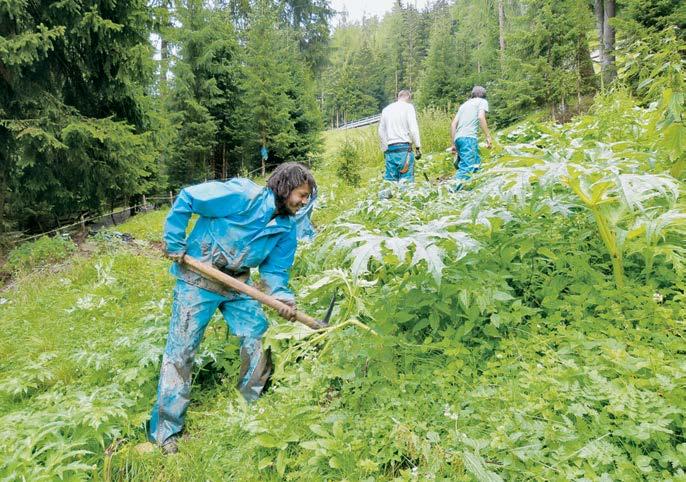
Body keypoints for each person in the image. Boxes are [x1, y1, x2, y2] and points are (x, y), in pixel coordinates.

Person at [148, 162, 316, 454]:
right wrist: (174, 239)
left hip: (237, 284)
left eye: (306, 197)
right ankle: (165, 433)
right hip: (198, 277)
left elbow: (276, 272)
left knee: (258, 337)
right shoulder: (242, 195)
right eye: (301, 195)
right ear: (285, 187)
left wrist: (283, 298)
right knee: (182, 350)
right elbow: (188, 197)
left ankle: (249, 406)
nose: (303, 202)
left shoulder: (287, 228)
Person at [450, 85, 493, 183]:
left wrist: (453, 144)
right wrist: (488, 136)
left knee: (476, 164)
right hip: (468, 138)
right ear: (483, 95)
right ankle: (451, 193)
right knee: (467, 168)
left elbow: (453, 124)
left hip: (458, 139)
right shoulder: (482, 101)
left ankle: (475, 189)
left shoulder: (464, 105)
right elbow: (481, 117)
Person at [378, 90, 422, 183]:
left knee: (389, 182)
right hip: (404, 149)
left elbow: (381, 131)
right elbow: (413, 128)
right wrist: (417, 146)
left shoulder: (386, 109)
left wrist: (385, 148)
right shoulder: (408, 107)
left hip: (390, 149)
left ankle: (383, 197)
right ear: (408, 98)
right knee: (406, 181)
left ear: (398, 97)